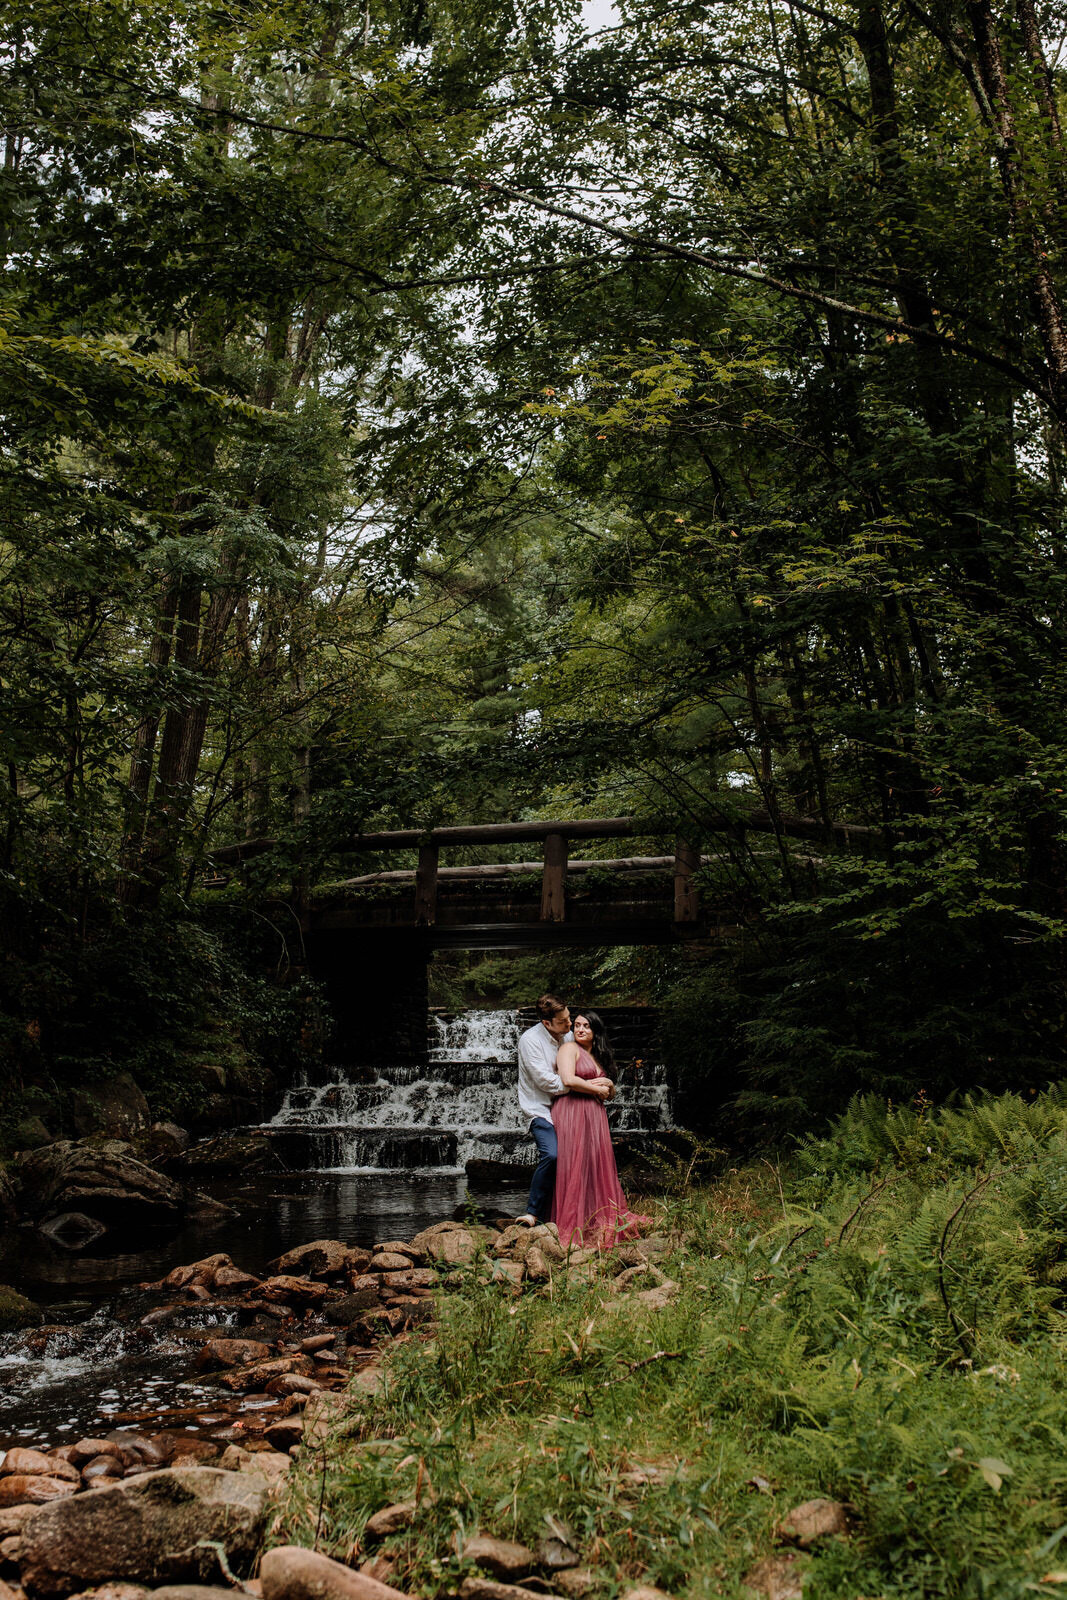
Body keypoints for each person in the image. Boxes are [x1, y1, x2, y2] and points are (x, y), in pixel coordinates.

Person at [551, 1010, 648, 1248]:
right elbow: (568, 1079)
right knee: (574, 1166)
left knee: (594, 1165)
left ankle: (593, 1221)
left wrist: (610, 1087)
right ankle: (571, 1226)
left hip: (594, 1116)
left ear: (596, 1031)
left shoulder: (596, 1056)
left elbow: (608, 1092)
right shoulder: (568, 1049)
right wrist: (598, 1088)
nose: (580, 1029)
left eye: (586, 1026)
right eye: (577, 1025)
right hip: (572, 1111)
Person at [515, 993, 614, 1226]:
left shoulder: (567, 1034)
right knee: (552, 1154)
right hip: (540, 1109)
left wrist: (607, 1085)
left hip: (569, 1109)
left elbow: (590, 1062)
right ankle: (533, 1212)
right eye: (564, 1021)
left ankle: (576, 1214)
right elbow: (545, 1081)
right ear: (546, 1023)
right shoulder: (530, 1041)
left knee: (578, 1159)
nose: (571, 1025)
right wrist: (583, 1085)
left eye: (570, 1018)